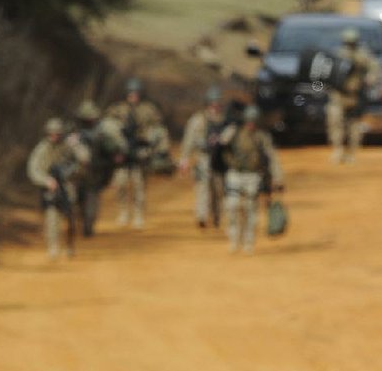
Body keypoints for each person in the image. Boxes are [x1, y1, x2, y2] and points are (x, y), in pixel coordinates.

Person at [218, 104, 283, 253]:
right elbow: (219, 148)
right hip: (234, 174)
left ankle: (248, 242)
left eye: (254, 121)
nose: (251, 124)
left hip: (253, 176)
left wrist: (278, 178)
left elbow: (272, 158)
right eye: (249, 120)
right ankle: (234, 239)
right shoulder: (233, 132)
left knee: (250, 209)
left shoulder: (261, 137)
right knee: (233, 207)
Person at [105, 78, 168, 228]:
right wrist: (114, 147)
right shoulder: (117, 109)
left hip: (140, 150)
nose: (134, 96)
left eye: (137, 93)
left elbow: (159, 129)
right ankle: (123, 212)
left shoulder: (149, 109)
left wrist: (159, 149)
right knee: (120, 183)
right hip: (122, 151)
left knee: (139, 185)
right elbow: (107, 127)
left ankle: (139, 215)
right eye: (131, 93)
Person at [26, 118, 89, 259]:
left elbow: (85, 159)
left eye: (58, 133)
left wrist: (76, 145)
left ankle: (69, 245)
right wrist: (45, 181)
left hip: (68, 187)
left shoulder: (69, 145)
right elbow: (33, 169)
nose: (54, 136)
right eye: (52, 133)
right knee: (51, 218)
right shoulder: (42, 149)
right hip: (51, 189)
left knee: (70, 219)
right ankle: (53, 247)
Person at [71, 100, 127, 237]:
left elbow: (115, 150)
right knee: (78, 201)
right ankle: (82, 222)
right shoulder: (73, 134)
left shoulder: (103, 133)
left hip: (94, 174)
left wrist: (116, 157)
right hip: (76, 174)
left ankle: (88, 226)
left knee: (91, 201)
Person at [325, 27, 379, 164]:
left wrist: (368, 80)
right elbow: (327, 73)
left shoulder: (363, 56)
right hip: (338, 96)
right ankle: (338, 151)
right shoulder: (337, 55)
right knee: (336, 124)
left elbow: (375, 71)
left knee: (354, 126)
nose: (350, 44)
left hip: (355, 96)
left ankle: (351, 153)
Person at [179, 87, 226, 230]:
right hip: (202, 158)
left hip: (219, 159)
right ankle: (202, 216)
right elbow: (189, 140)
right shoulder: (197, 120)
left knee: (218, 189)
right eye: (212, 103)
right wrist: (184, 159)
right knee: (202, 187)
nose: (214, 106)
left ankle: (217, 216)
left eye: (217, 103)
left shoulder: (224, 120)